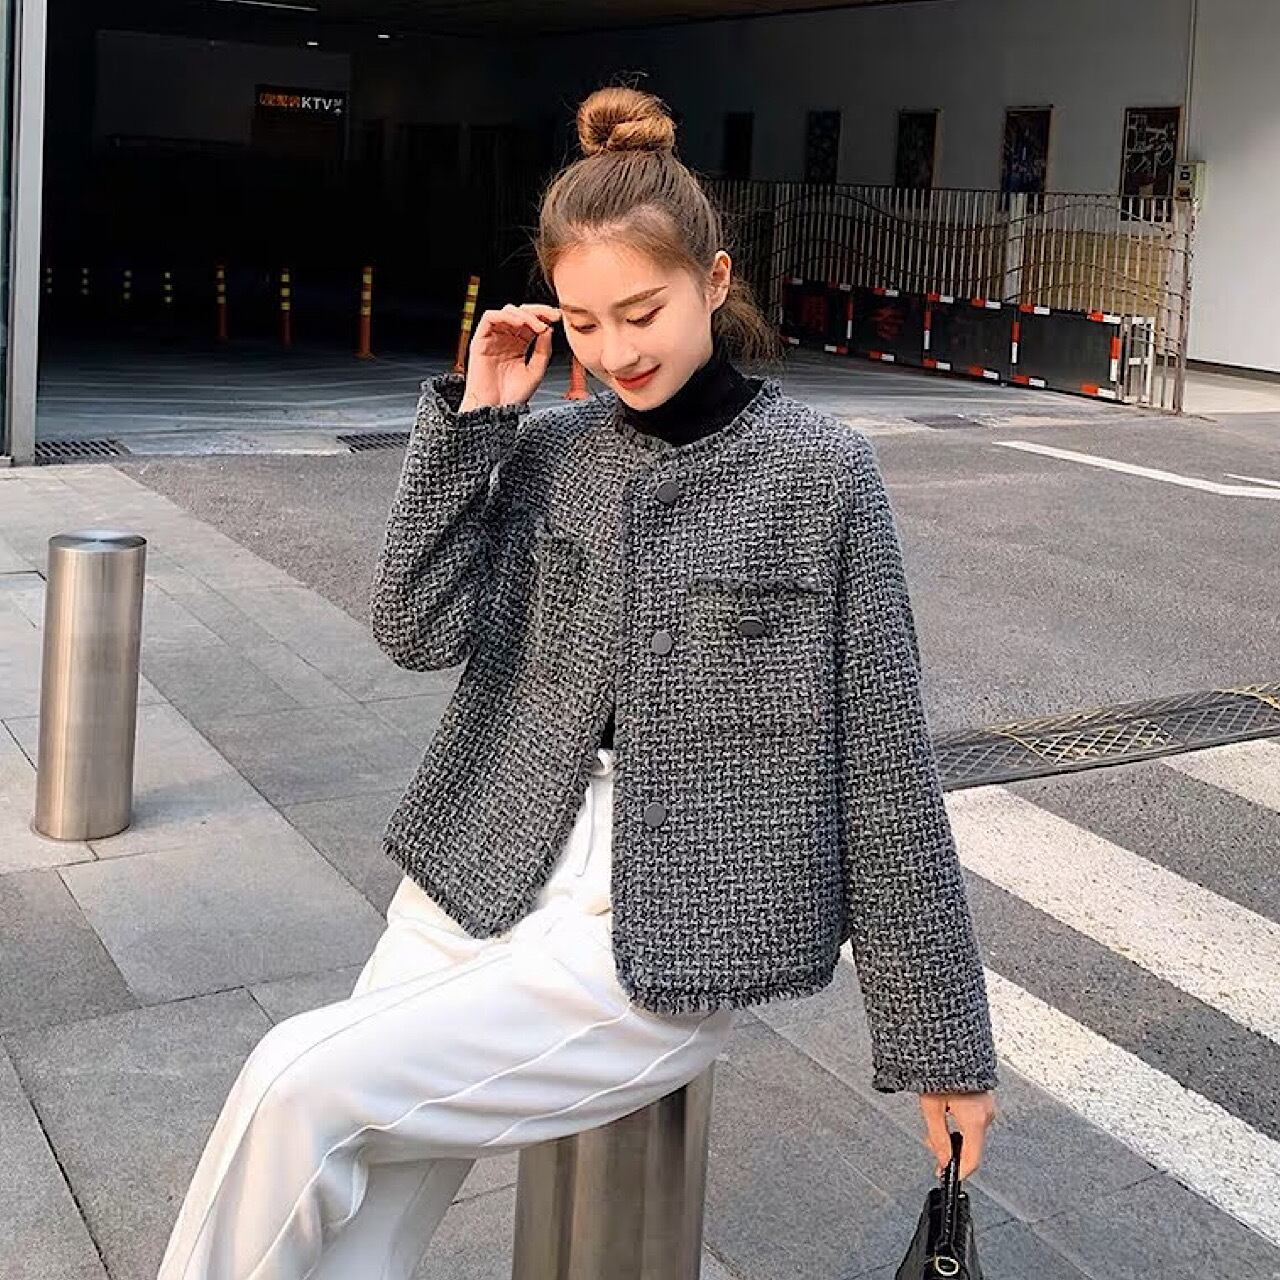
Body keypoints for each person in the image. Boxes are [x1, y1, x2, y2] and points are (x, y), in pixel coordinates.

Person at [155, 85, 997, 1280]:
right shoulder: (551, 450)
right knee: (362, 1213)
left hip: (661, 927)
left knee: (296, 1080)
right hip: (475, 864)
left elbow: (885, 764)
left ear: (713, 280)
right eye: (585, 321)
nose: (616, 352)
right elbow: (414, 627)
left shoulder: (821, 474)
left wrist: (943, 1046)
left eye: (642, 311)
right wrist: (474, 422)